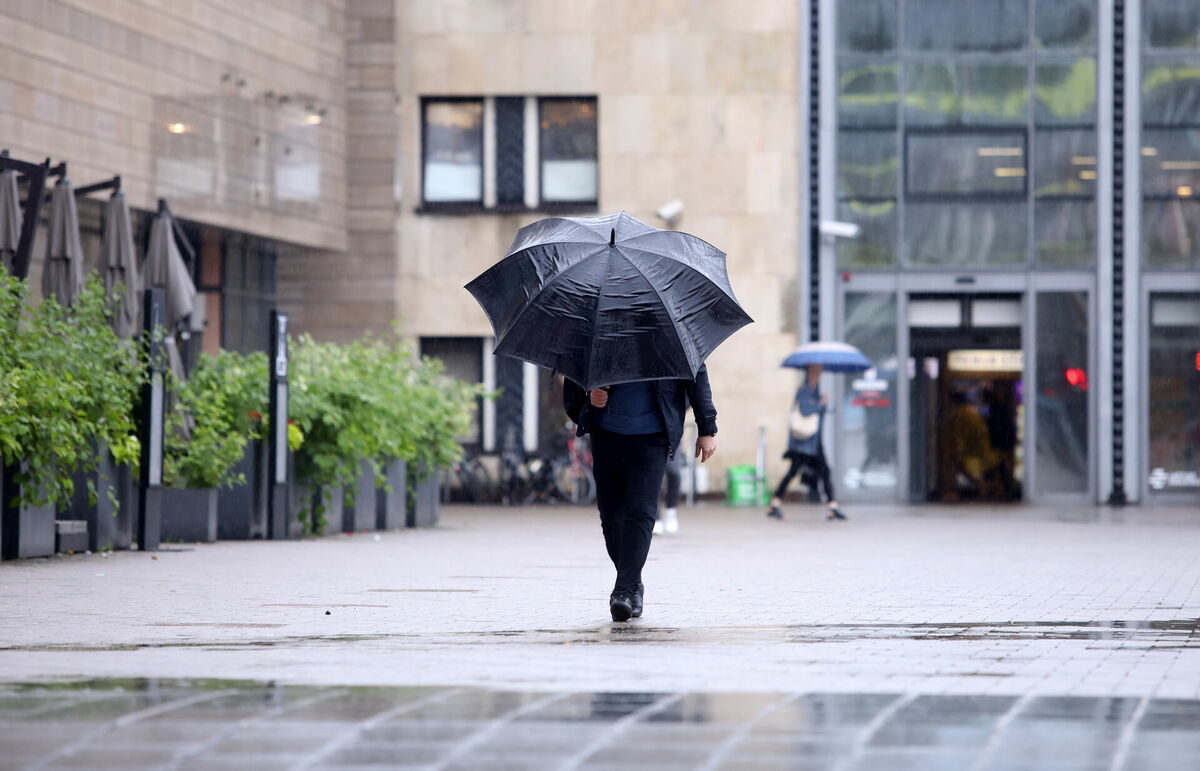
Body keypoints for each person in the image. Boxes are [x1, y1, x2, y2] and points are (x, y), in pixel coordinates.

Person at [564, 369, 717, 622]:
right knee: (611, 516)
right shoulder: (598, 330)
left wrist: (707, 427)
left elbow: (696, 371)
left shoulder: (671, 329)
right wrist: (588, 398)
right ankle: (632, 580)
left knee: (641, 512)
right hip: (606, 433)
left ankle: (623, 590)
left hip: (653, 434)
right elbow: (574, 378)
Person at [766, 364, 844, 521]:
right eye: (815, 372)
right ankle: (775, 503)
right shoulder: (804, 390)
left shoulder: (814, 390)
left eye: (819, 372)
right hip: (803, 444)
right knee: (793, 472)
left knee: (824, 472)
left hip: (813, 443)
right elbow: (805, 411)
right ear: (809, 373)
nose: (817, 375)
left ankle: (832, 506)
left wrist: (823, 404)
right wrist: (820, 403)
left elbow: (817, 412)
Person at [654, 441, 683, 535]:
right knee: (654, 476)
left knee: (674, 473)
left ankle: (671, 509)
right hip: (649, 435)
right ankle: (655, 517)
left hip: (671, 436)